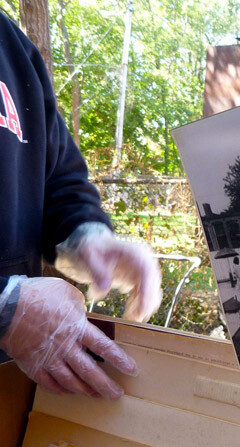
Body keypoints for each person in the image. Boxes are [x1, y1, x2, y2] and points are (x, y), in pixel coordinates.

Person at [0, 13, 162, 400]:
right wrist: (5, 307)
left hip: (12, 381)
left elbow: (59, 179)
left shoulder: (13, 47)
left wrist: (86, 234)